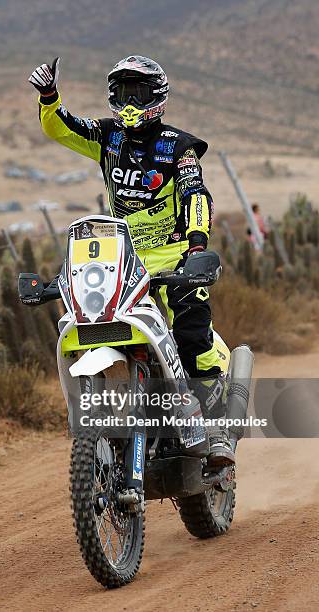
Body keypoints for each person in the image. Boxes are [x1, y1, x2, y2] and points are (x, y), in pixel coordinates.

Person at [28, 55, 234, 466]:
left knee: (191, 330)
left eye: (136, 93)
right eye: (122, 93)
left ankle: (214, 424)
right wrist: (50, 97)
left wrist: (196, 246)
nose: (128, 102)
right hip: (125, 259)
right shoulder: (108, 138)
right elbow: (62, 128)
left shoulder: (180, 147)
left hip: (176, 258)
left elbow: (196, 196)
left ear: (156, 97)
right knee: (101, 326)